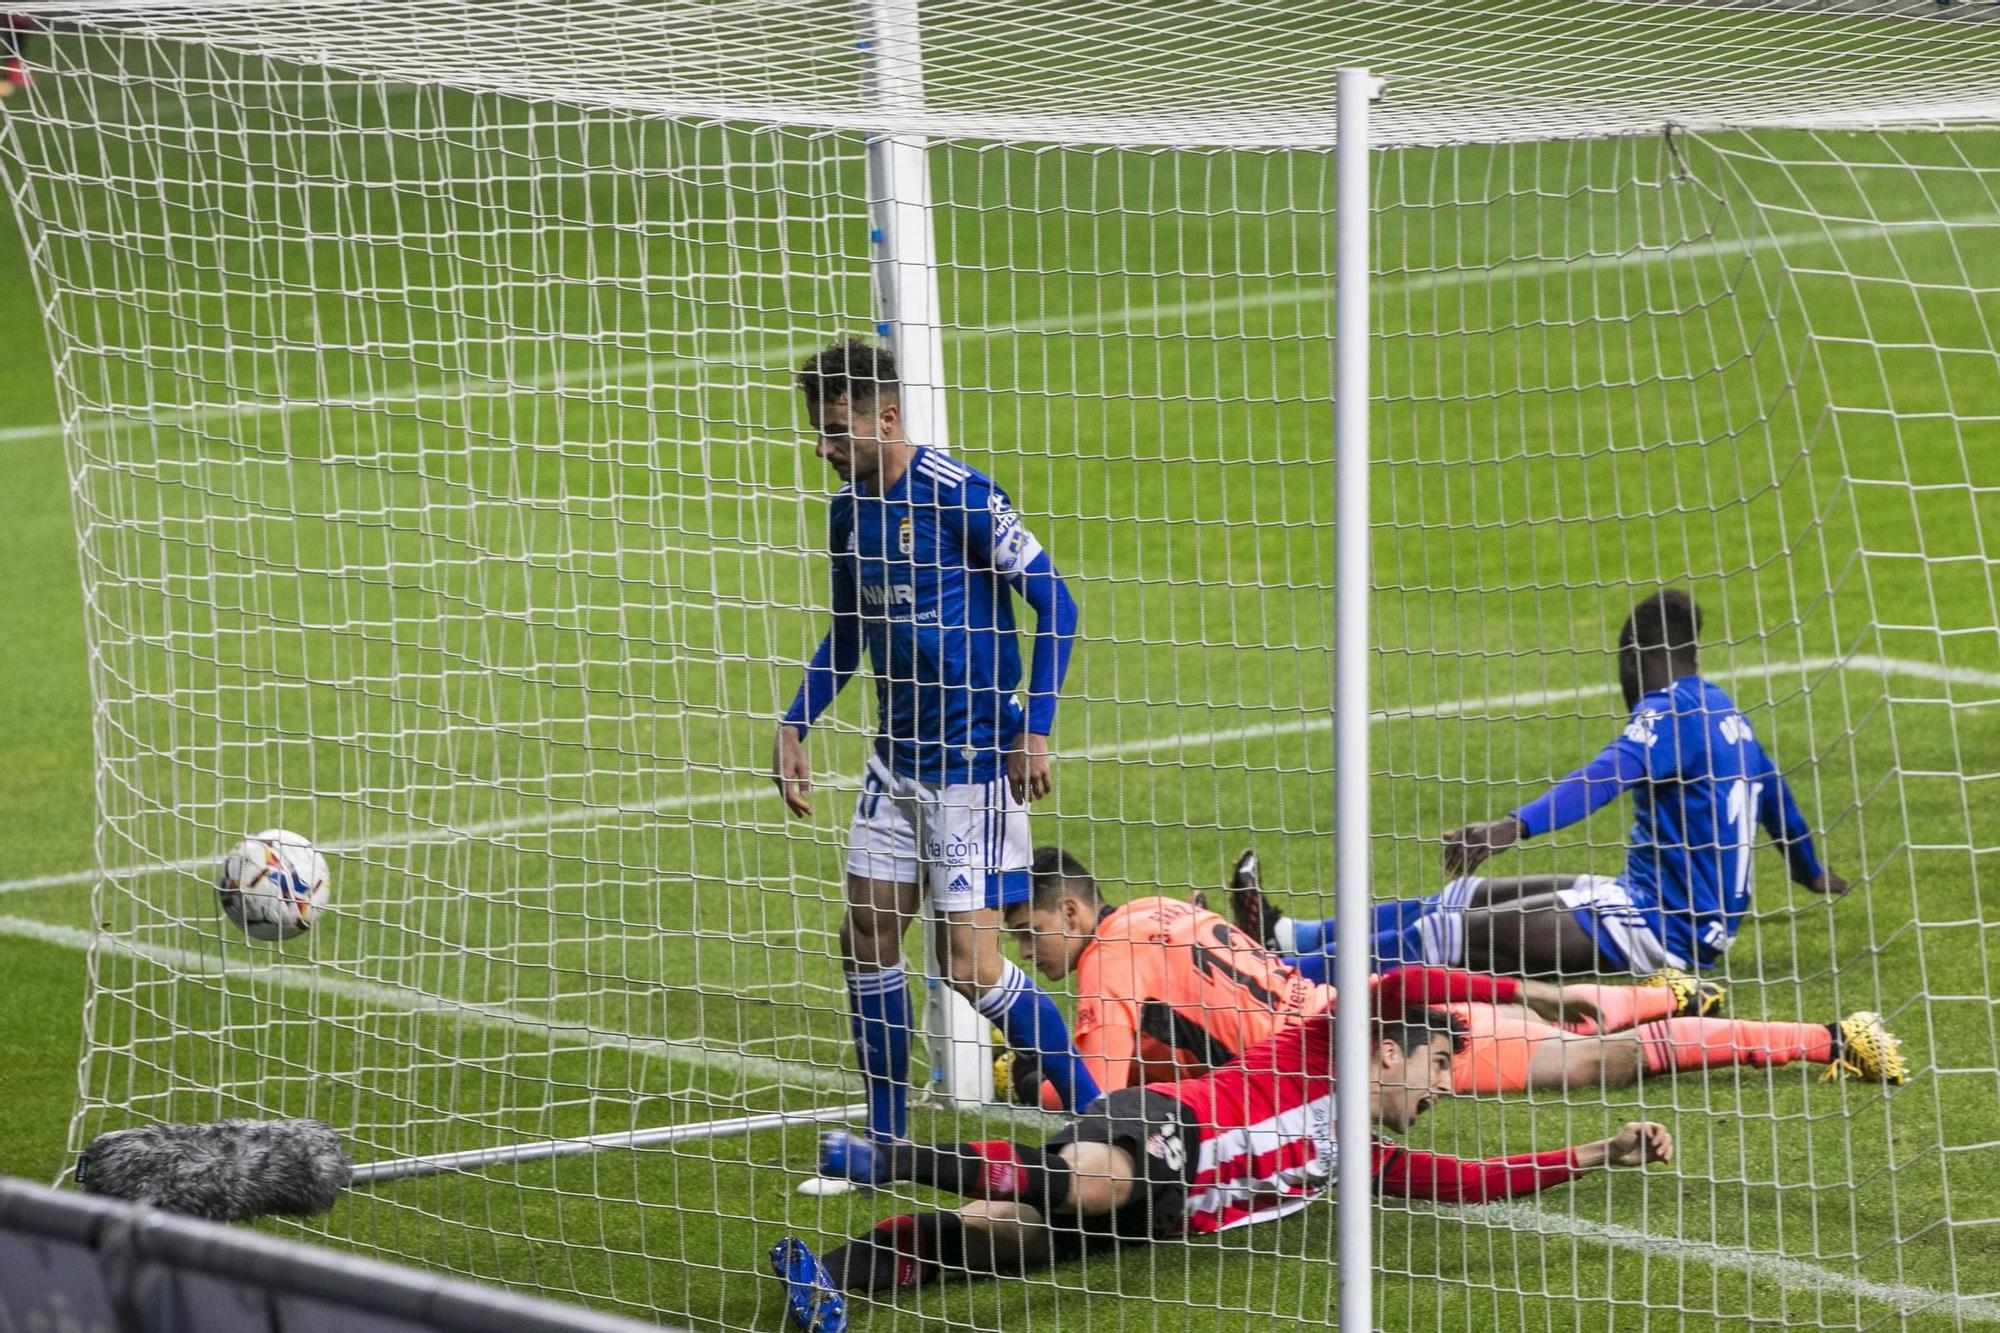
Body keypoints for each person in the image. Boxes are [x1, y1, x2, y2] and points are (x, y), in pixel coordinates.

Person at [767, 996, 1675, 1333]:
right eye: (1440, 1063)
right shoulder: (1320, 1044)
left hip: (1165, 1209)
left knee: (1000, 1240)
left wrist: (1594, 1152)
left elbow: (1473, 1182)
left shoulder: (1362, 1156)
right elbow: (1401, 987)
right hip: (1165, 1130)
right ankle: (893, 1154)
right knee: (1093, 1182)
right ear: (1387, 1053)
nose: (1446, 1086)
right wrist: (1528, 993)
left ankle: (831, 1280)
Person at [770, 340, 1097, 1188]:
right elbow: (849, 634)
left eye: (836, 430)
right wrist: (796, 722)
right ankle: (884, 1142)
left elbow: (1055, 600)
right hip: (895, 767)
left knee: (971, 968)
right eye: (819, 430)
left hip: (973, 770)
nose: (823, 447)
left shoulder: (963, 496)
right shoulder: (848, 512)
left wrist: (1037, 728)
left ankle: (1097, 1122)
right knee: (865, 936)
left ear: (886, 416)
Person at [1230, 589, 1849, 979]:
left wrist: (1511, 826)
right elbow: (1779, 803)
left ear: (1634, 659)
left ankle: (1279, 978)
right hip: (1642, 902)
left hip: (1659, 931)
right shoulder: (1727, 714)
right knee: (1462, 898)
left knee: (1453, 935)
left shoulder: (1667, 714)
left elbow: (1602, 777)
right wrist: (1809, 872)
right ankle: (1289, 936)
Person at [1013, 846, 1902, 1102]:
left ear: (1072, 913)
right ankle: (1669, 995)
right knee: (1555, 1025)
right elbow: (1196, 1042)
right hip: (1342, 1010)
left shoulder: (1106, 969)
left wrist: (1036, 1069)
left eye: (1029, 934)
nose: (1029, 953)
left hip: (1361, 1057)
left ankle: (1824, 1037)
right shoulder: (1163, 910)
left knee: (1589, 1062)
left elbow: (1105, 1103)